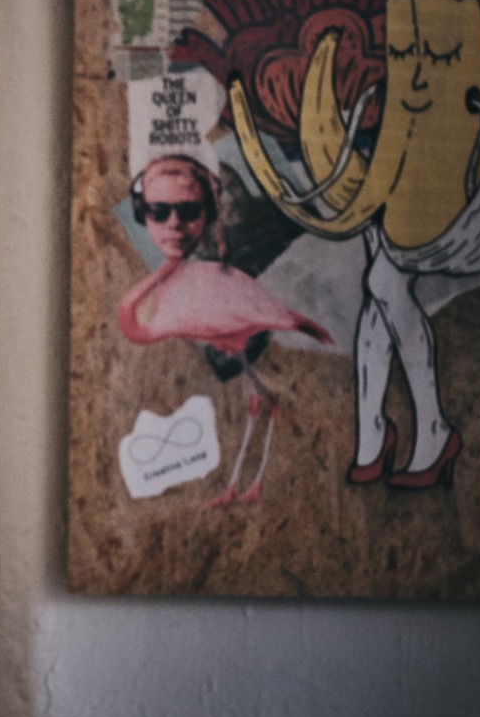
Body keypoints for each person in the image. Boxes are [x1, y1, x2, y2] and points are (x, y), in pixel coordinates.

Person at [119, 154, 330, 506]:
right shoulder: (174, 291)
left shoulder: (194, 294)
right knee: (257, 393)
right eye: (158, 212)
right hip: (231, 326)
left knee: (260, 398)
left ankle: (251, 485)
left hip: (249, 317)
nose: (173, 224)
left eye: (187, 211)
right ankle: (235, 487)